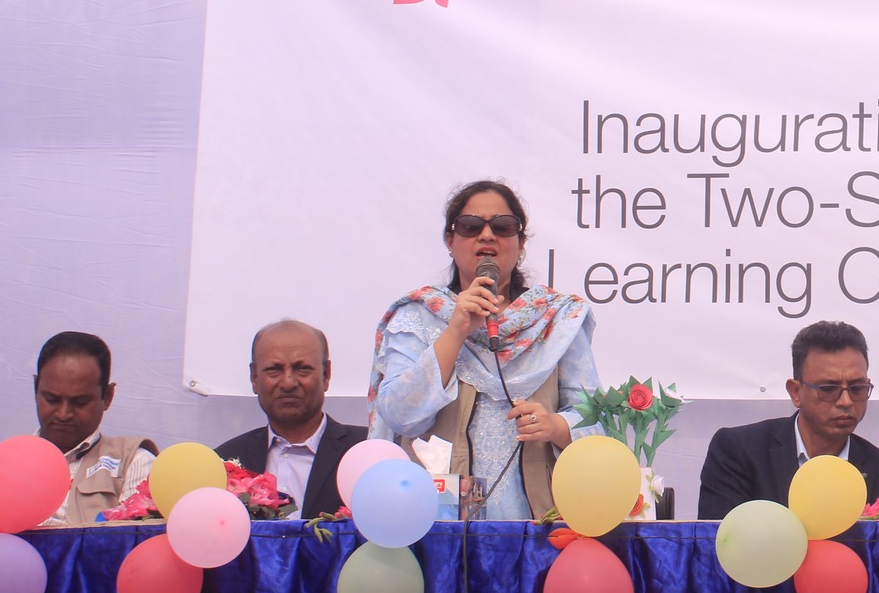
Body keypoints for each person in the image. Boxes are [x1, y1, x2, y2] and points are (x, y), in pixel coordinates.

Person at [368, 180, 598, 520]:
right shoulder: (419, 316)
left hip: (536, 518)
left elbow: (597, 421)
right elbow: (400, 415)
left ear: (521, 243)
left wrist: (555, 425)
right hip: (441, 520)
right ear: (450, 240)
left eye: (502, 227)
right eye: (470, 226)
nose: (487, 235)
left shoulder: (556, 319)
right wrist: (456, 331)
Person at [697, 320, 879, 519]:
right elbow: (721, 538)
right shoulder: (739, 452)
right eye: (828, 389)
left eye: (857, 388)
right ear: (795, 392)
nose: (846, 401)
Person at [0, 331, 157, 525]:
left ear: (107, 396)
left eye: (80, 402)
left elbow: (135, 539)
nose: (63, 414)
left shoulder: (133, 462)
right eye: (52, 399)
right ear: (36, 389)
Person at [212, 319, 367, 517]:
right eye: (274, 370)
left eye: (302, 368)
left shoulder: (365, 452)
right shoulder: (223, 462)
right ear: (254, 378)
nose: (288, 383)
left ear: (326, 375)